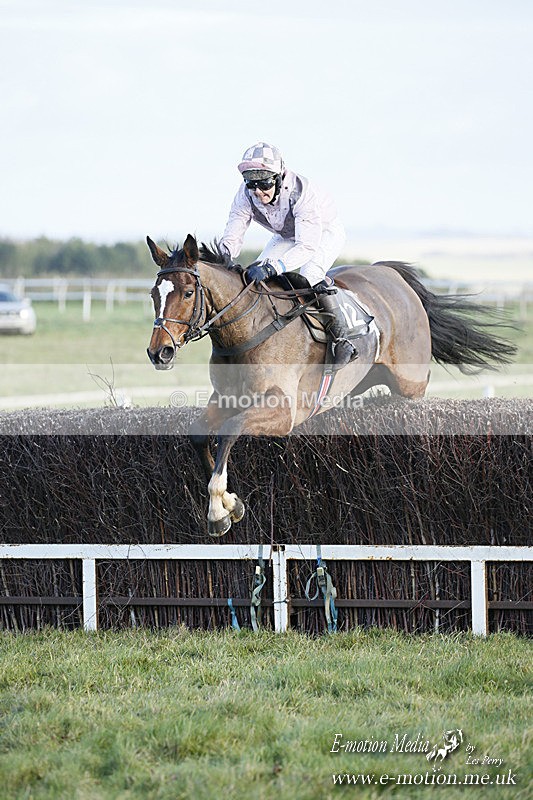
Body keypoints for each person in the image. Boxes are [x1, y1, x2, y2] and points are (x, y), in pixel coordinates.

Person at [219, 142, 357, 368]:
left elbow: (306, 247)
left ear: (278, 177)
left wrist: (275, 267)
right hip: (286, 234)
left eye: (263, 183)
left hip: (323, 232)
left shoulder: (301, 193)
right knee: (256, 274)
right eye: (251, 183)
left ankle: (343, 340)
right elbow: (233, 236)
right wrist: (221, 259)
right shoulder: (245, 195)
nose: (257, 191)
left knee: (310, 274)